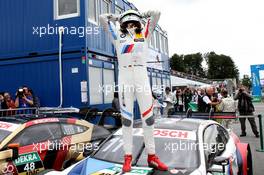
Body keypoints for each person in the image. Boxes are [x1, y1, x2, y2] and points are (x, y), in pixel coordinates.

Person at [100, 9, 168, 172]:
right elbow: (103, 17)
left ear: (138, 22)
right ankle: (127, 157)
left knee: (149, 118)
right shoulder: (117, 34)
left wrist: (139, 14)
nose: (130, 24)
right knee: (127, 120)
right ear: (123, 24)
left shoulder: (145, 32)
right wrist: (119, 17)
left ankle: (152, 156)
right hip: (125, 77)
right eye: (127, 22)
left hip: (142, 76)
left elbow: (157, 13)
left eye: (133, 22)